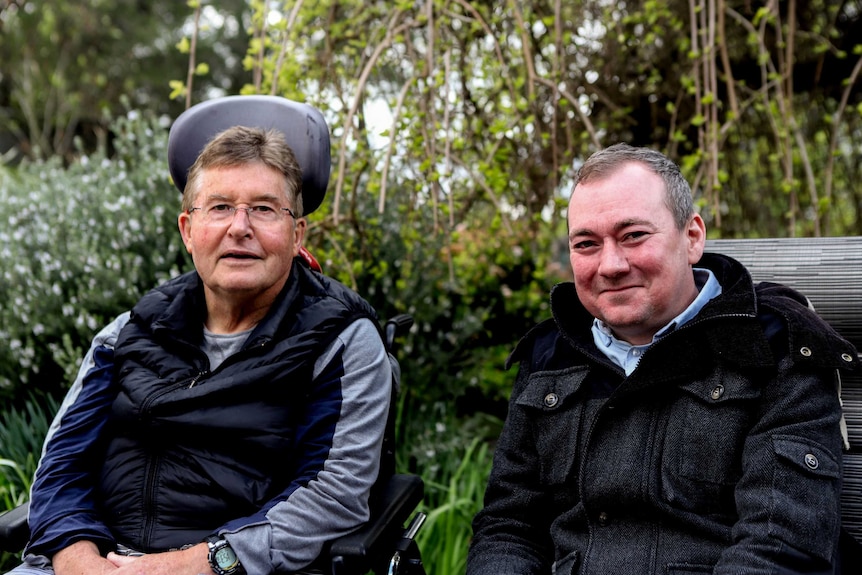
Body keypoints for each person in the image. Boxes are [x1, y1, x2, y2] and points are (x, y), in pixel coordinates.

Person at [8, 124, 393, 575]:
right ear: (189, 230)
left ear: (297, 234)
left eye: (264, 209)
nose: (240, 227)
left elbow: (335, 496)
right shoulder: (128, 332)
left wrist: (194, 564)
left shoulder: (341, 340)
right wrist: (79, 560)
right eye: (221, 207)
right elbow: (62, 463)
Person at [466, 143, 859, 575]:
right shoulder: (549, 358)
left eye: (633, 235)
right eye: (586, 244)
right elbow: (509, 528)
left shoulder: (777, 346)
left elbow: (782, 547)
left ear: (691, 237)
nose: (610, 265)